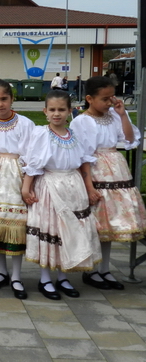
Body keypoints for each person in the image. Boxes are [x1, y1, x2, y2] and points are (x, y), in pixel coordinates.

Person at [21, 90, 102, 300]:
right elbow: (34, 163)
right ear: (45, 111)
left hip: (74, 187)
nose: (56, 114)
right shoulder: (42, 134)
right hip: (50, 187)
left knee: (70, 231)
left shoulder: (74, 135)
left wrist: (89, 187)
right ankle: (45, 279)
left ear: (69, 111)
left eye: (61, 109)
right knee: (52, 230)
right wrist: (26, 188)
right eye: (52, 109)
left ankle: (63, 276)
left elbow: (83, 162)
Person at [70, 76, 146, 290]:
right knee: (95, 224)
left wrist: (122, 114)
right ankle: (91, 270)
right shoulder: (81, 121)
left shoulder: (114, 116)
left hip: (116, 172)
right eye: (105, 99)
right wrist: (89, 187)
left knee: (108, 223)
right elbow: (82, 156)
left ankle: (104, 270)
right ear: (89, 99)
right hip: (95, 173)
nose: (110, 102)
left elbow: (130, 139)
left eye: (112, 97)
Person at [0, 79, 35, 299]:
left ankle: (17, 276)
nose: (0, 104)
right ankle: (2, 272)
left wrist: (27, 185)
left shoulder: (25, 123)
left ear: (12, 99)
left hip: (16, 176)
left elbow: (31, 156)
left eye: (4, 99)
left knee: (15, 226)